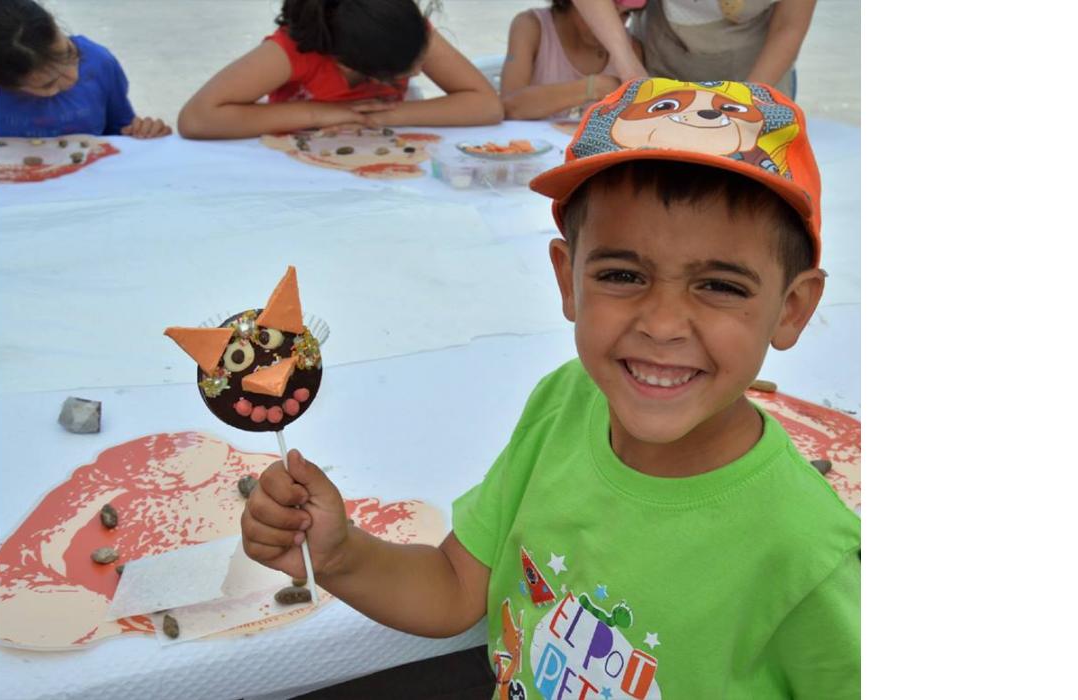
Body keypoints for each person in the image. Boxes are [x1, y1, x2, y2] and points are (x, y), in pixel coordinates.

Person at [241, 77, 860, 698]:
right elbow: (457, 586)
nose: (663, 324)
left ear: (792, 308)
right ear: (568, 281)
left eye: (721, 286)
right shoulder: (566, 402)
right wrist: (342, 554)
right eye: (623, 274)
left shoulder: (809, 557)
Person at [177, 0, 502, 139]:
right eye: (404, 72)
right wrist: (321, 114)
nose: (418, 73)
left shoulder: (406, 32)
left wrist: (378, 117)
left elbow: (486, 105)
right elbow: (198, 118)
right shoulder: (296, 50)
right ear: (348, 62)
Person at [0, 0, 170, 138]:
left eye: (71, 54)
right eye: (48, 84)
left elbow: (121, 132)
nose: (73, 76)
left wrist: (143, 131)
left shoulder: (100, 63)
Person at [572, 0, 816, 97]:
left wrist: (744, 101)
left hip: (758, 70)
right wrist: (628, 67)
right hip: (658, 61)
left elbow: (788, 27)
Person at [500, 0, 645, 121]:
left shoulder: (632, 50)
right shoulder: (531, 26)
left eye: (626, 14)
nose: (617, 24)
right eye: (610, 13)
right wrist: (591, 88)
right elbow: (508, 106)